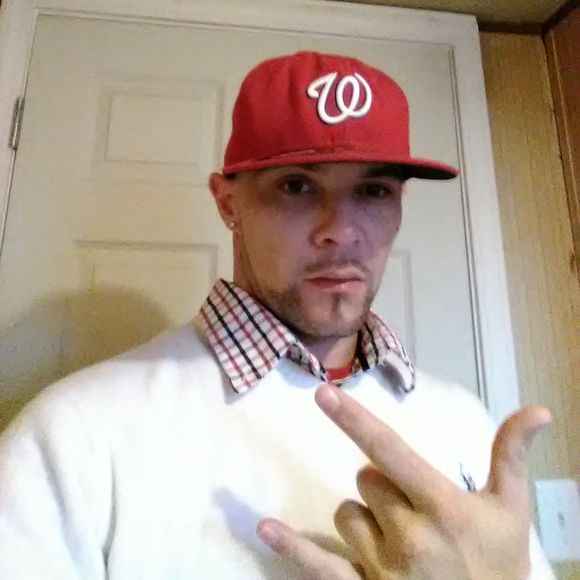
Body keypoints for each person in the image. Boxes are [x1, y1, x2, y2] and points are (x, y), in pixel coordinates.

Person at [0, 51, 554, 579]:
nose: (342, 230)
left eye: (374, 190)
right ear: (228, 202)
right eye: (297, 186)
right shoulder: (75, 434)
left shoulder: (464, 421)